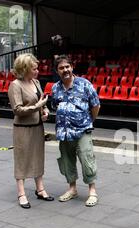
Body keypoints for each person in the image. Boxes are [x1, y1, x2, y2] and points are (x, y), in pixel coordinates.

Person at [51, 55, 101, 207]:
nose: (65, 70)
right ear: (57, 71)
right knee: (67, 161)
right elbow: (55, 105)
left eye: (67, 67)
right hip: (64, 132)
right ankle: (72, 189)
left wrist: (89, 121)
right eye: (61, 68)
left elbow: (96, 105)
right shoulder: (55, 88)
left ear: (72, 67)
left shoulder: (84, 84)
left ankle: (92, 191)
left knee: (87, 160)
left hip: (82, 130)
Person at [8, 53, 53, 209]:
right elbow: (17, 110)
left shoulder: (36, 82)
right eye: (34, 69)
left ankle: (40, 189)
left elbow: (42, 101)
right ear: (24, 69)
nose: (37, 71)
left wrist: (45, 111)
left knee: (38, 157)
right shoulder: (15, 85)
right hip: (22, 129)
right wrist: (38, 107)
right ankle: (21, 193)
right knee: (22, 159)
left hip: (37, 126)